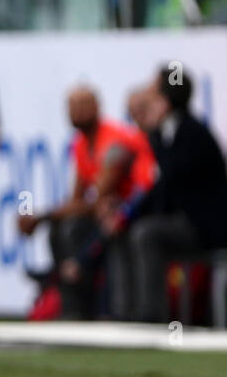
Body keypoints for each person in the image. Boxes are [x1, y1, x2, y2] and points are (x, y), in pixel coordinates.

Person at [16, 86, 155, 319]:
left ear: (97, 107)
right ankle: (70, 303)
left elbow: (96, 198)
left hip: (130, 210)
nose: (75, 112)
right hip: (107, 212)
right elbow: (77, 199)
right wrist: (48, 217)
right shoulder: (81, 144)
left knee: (74, 228)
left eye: (81, 106)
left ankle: (85, 301)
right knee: (60, 227)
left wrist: (41, 216)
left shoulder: (114, 142)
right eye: (70, 107)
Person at [102, 67, 227, 323]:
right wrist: (125, 214)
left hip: (202, 227)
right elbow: (158, 188)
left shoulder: (191, 133)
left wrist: (133, 214)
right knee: (125, 229)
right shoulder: (162, 134)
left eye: (152, 94)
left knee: (146, 233)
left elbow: (169, 186)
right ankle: (124, 309)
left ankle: (152, 314)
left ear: (164, 101)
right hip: (182, 220)